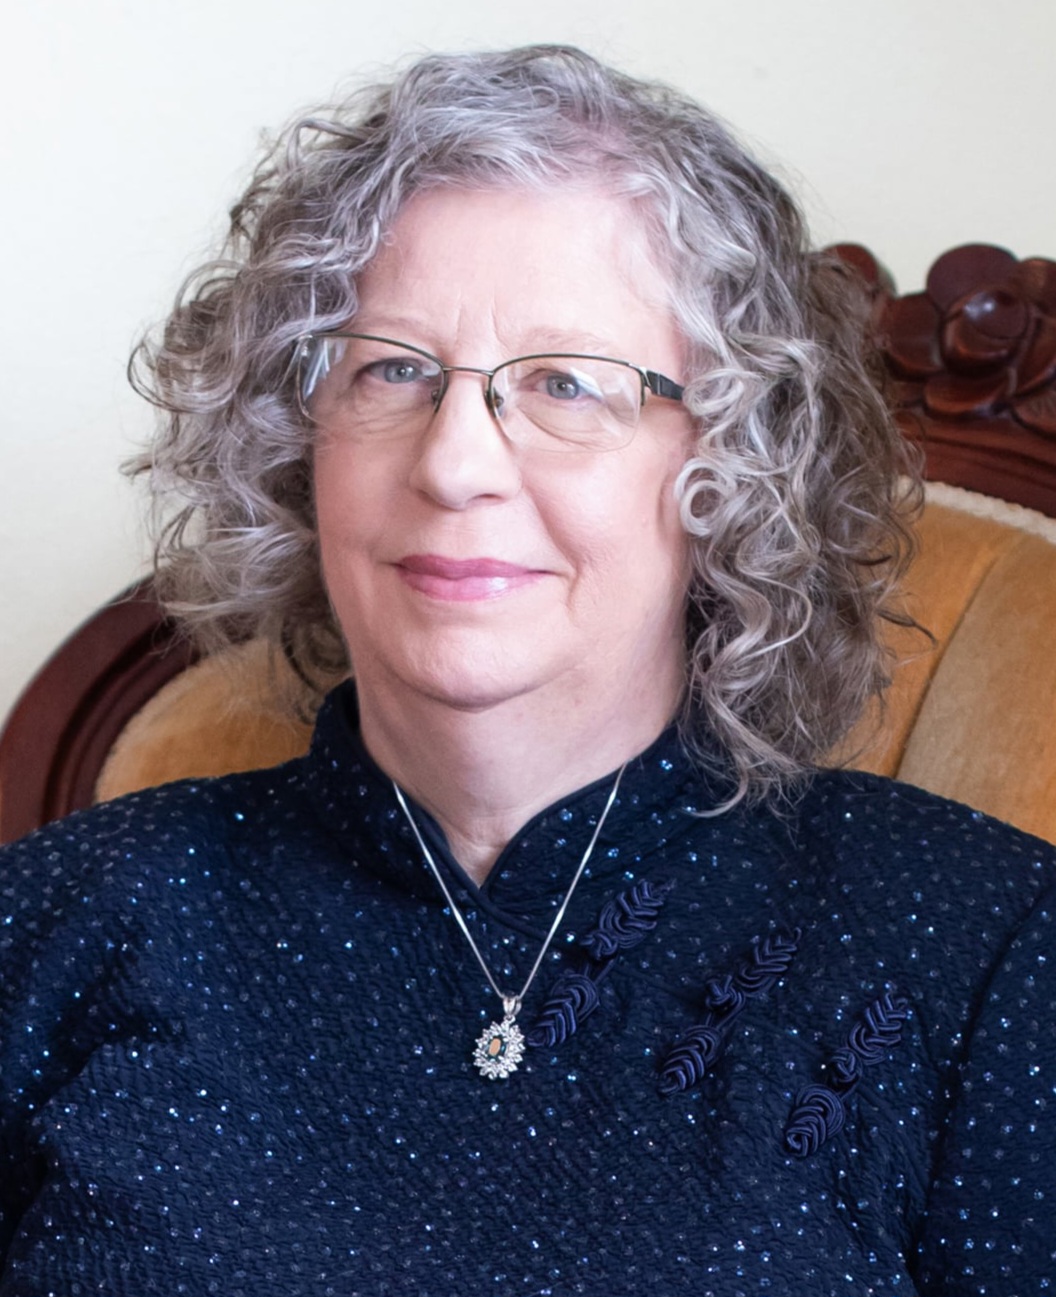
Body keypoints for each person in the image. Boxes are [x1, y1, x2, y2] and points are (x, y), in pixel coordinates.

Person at [1, 44, 1053, 1296]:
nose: (455, 464)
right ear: (297, 443)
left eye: (566, 384)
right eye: (392, 369)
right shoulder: (53, 918)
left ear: (732, 469)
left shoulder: (983, 945)